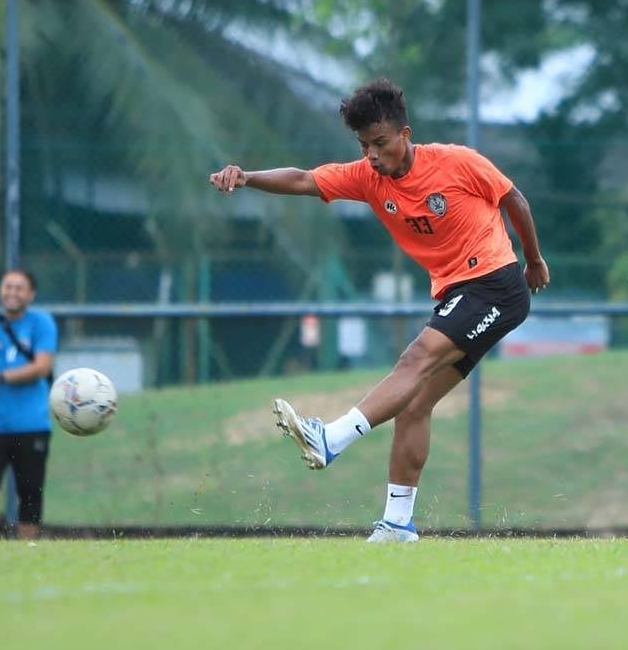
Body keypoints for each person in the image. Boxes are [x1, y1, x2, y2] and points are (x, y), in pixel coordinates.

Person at [209, 78, 549, 542]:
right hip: (458, 294)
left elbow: (515, 199)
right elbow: (305, 179)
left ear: (405, 135)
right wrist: (247, 177)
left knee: (415, 359)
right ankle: (397, 524)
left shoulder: (456, 163)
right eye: (364, 144)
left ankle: (330, 439)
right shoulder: (368, 177)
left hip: (496, 284)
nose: (371, 154)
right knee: (414, 404)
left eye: (380, 143)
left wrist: (533, 259)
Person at [0, 269, 58, 540]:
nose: (12, 293)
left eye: (19, 288)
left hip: (32, 425)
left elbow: (42, 367)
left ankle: (26, 548)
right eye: (8, 286)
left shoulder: (41, 323)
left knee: (30, 493)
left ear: (31, 294)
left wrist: (2, 377)